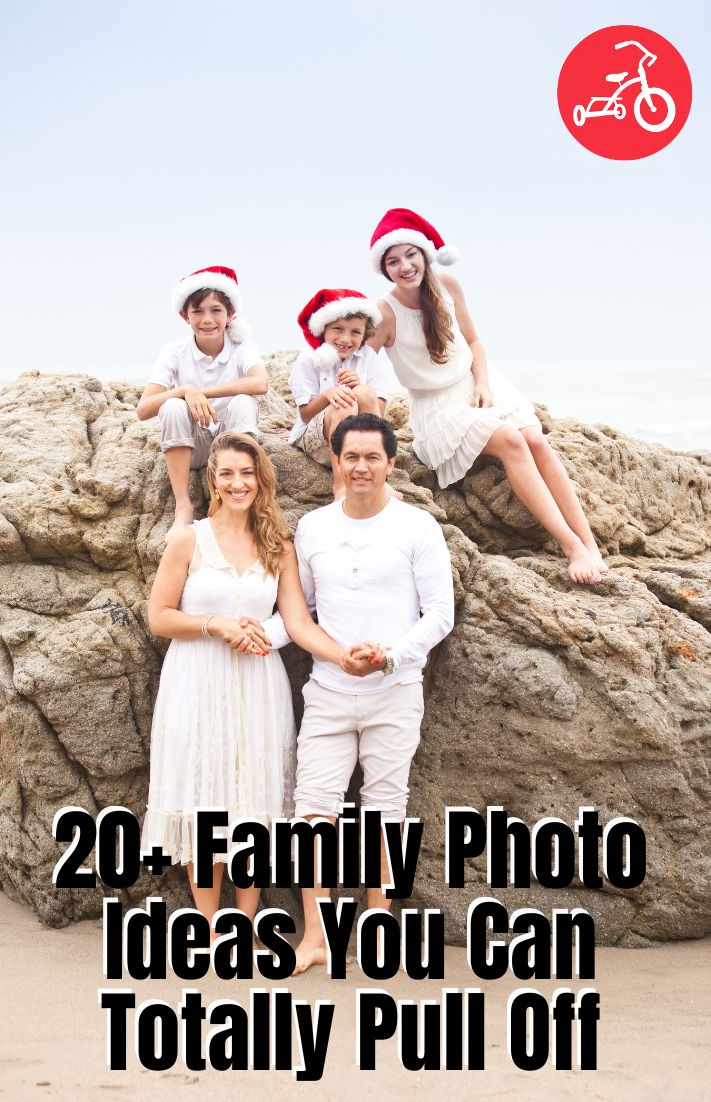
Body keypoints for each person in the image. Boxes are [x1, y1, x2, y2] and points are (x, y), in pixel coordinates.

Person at [141, 431, 379, 932]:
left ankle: (244, 925)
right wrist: (216, 625)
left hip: (258, 685)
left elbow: (297, 623)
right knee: (204, 795)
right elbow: (158, 617)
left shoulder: (277, 545)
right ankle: (206, 924)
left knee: (253, 799)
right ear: (213, 479)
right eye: (226, 473)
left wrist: (344, 657)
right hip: (196, 681)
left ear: (260, 479)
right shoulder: (190, 539)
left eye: (247, 473)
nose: (237, 482)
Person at [267, 412, 455, 974]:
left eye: (373, 457)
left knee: (384, 813)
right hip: (326, 689)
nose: (362, 466)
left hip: (395, 689)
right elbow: (300, 612)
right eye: (351, 457)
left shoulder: (418, 527)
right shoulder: (314, 528)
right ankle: (317, 937)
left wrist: (390, 655)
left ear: (391, 463)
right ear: (336, 462)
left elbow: (440, 613)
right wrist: (250, 637)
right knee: (312, 815)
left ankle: (376, 932)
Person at [367, 208, 607, 585]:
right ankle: (570, 547)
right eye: (392, 261)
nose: (404, 266)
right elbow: (362, 368)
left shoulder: (447, 284)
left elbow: (474, 341)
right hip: (437, 406)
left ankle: (589, 543)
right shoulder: (385, 313)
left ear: (424, 254)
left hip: (475, 383)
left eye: (410, 255)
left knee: (535, 440)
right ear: (385, 269)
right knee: (512, 441)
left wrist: (482, 384)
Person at [137, 265, 269, 542]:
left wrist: (204, 393)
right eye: (198, 311)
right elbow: (144, 409)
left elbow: (260, 383)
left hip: (229, 443)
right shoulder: (175, 351)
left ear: (231, 314)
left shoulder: (242, 348)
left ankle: (236, 503)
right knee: (172, 406)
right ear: (185, 316)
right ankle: (184, 506)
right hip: (193, 446)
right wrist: (185, 390)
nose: (207, 319)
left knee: (244, 401)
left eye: (216, 310)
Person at [289, 288, 392, 498]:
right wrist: (327, 395)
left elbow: (378, 411)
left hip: (359, 445)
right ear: (323, 329)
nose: (346, 338)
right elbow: (306, 414)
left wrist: (358, 387)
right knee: (344, 403)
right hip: (321, 441)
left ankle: (379, 479)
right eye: (338, 329)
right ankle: (341, 483)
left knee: (363, 392)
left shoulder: (368, 357)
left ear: (365, 335)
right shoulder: (309, 359)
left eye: (355, 332)